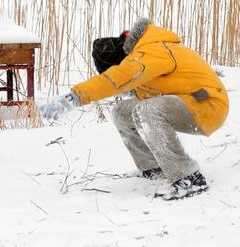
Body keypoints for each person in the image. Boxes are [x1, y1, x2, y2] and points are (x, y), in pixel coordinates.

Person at [39, 18, 229, 199]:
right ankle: (154, 167)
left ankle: (188, 179)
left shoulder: (152, 51)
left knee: (146, 111)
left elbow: (119, 78)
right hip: (188, 102)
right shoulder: (144, 51)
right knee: (123, 112)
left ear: (124, 58)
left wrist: (73, 98)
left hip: (208, 105)